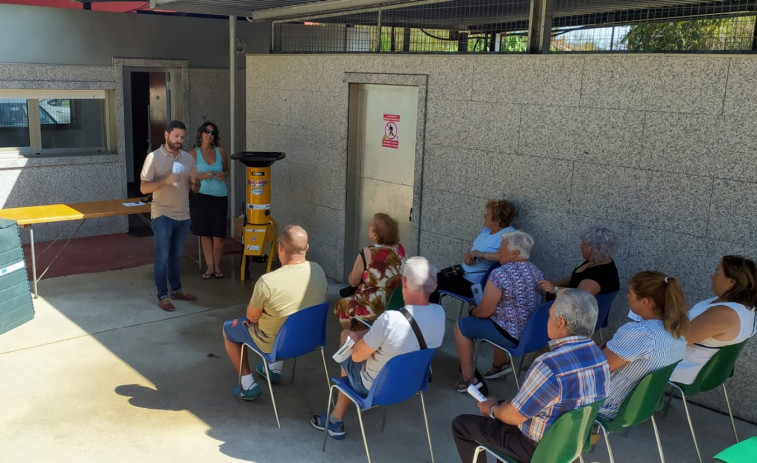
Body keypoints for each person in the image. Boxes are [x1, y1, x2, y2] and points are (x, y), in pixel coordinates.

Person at [452, 289, 609, 463]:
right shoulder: (600, 357)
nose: (547, 321)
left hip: (537, 448)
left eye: (549, 316)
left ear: (561, 322)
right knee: (504, 407)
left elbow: (515, 416)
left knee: (462, 425)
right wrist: (500, 408)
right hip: (570, 444)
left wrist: (491, 410)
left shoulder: (549, 364)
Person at [312, 256, 445, 439]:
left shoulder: (390, 319)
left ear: (404, 283)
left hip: (375, 387)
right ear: (434, 286)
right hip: (411, 384)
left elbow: (357, 357)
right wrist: (365, 335)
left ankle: (336, 419)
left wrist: (353, 338)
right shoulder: (440, 314)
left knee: (346, 337)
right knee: (363, 339)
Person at [222, 225, 327, 399]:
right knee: (286, 316)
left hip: (275, 345)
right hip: (310, 339)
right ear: (307, 247)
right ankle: (273, 370)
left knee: (229, 330)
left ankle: (248, 385)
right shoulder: (318, 270)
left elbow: (251, 317)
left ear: (280, 247)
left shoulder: (267, 282)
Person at [454, 230, 544, 392]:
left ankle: (469, 380)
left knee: (461, 326)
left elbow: (484, 312)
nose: (498, 252)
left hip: (511, 335)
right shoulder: (536, 271)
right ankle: (499, 365)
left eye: (501, 249)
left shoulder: (500, 274)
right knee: (499, 316)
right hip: (530, 335)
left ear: (514, 253)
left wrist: (474, 311)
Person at [598, 271, 689, 420]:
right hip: (639, 406)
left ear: (645, 301)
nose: (627, 296)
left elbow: (597, 369)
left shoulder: (641, 333)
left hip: (607, 404)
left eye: (630, 293)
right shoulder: (677, 335)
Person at [140, 120, 200, 312]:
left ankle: (176, 290)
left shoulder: (188, 158)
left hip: (183, 215)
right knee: (163, 257)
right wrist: (166, 180)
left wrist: (195, 182)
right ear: (166, 135)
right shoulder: (153, 157)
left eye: (182, 137)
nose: (179, 140)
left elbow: (195, 189)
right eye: (176, 136)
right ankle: (163, 296)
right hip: (162, 214)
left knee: (176, 257)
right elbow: (143, 188)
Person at [670, 255, 757, 384]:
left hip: (678, 368)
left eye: (717, 273)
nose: (712, 276)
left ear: (732, 281)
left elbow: (674, 342)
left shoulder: (724, 314)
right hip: (694, 366)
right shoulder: (747, 309)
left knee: (630, 357)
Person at [432, 199, 516, 302]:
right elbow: (472, 249)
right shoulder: (486, 230)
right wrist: (467, 257)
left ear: (497, 220)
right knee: (430, 280)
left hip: (474, 283)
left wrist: (483, 254)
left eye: (487, 214)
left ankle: (431, 316)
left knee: (431, 285)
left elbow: (508, 257)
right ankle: (430, 314)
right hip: (461, 272)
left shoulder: (510, 234)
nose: (484, 216)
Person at [334, 213, 406, 329]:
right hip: (395, 303)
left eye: (369, 227)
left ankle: (351, 338)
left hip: (374, 305)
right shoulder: (400, 249)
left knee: (342, 305)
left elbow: (354, 282)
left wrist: (352, 276)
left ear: (375, 235)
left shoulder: (368, 252)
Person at [189, 121, 229, 279]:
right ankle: (210, 267)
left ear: (215, 137)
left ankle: (217, 265)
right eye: (206, 131)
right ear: (201, 133)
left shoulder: (221, 150)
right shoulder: (193, 153)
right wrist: (203, 176)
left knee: (219, 235)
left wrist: (224, 174)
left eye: (212, 132)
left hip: (219, 196)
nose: (209, 134)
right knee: (205, 234)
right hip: (201, 196)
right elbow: (189, 177)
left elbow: (226, 170)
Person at [538, 224, 620, 297]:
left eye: (584, 244)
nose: (581, 246)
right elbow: (575, 277)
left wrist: (555, 289)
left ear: (595, 249)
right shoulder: (597, 260)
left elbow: (580, 296)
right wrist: (553, 283)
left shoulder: (599, 276)